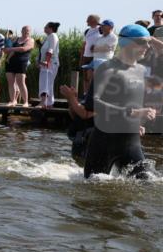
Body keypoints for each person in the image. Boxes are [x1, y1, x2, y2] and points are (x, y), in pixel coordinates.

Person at [84, 24, 157, 179]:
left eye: (149, 42)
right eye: (143, 42)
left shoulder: (140, 70)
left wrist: (139, 121)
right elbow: (92, 103)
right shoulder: (108, 68)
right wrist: (132, 112)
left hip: (131, 141)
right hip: (104, 142)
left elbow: (132, 100)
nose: (148, 46)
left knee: (148, 182)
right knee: (94, 190)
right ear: (128, 43)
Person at [60, 59, 101, 166]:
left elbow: (86, 114)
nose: (87, 72)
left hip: (92, 140)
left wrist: (71, 98)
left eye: (89, 69)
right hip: (80, 139)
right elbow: (74, 115)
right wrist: (72, 99)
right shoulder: (89, 92)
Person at [4, 26, 34, 106]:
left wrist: (10, 49)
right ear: (21, 31)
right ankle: (13, 100)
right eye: (24, 30)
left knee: (21, 82)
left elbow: (23, 49)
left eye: (28, 30)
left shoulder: (31, 40)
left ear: (30, 31)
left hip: (22, 62)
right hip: (10, 62)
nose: (26, 31)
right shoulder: (16, 39)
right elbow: (11, 50)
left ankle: (25, 102)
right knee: (11, 82)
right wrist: (8, 56)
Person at [38, 22, 61, 108]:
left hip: (50, 63)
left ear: (50, 28)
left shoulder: (53, 36)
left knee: (45, 82)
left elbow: (51, 50)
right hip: (46, 63)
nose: (44, 28)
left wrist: (47, 62)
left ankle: (43, 103)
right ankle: (49, 103)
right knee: (48, 83)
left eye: (46, 27)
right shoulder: (48, 37)